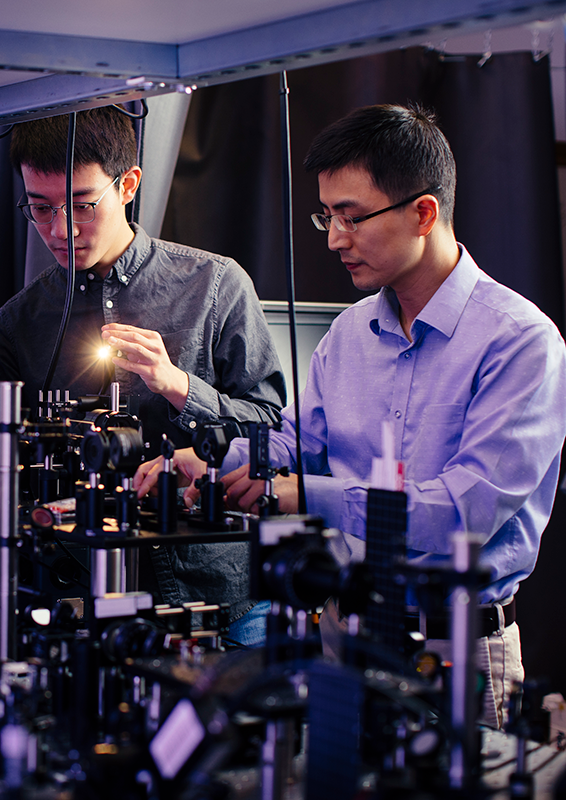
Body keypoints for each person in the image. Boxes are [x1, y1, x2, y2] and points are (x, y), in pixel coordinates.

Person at [136, 103, 566, 728]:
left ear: (424, 213)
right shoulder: (348, 334)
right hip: (344, 632)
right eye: (327, 216)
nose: (335, 238)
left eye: (352, 216)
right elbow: (295, 443)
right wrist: (207, 461)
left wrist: (301, 495)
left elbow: (460, 513)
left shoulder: (520, 342)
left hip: (455, 648)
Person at [0, 105, 287, 645]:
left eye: (82, 205)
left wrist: (178, 385)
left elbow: (271, 433)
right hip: (78, 608)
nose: (60, 229)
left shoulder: (215, 285)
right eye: (39, 209)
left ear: (129, 184)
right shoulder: (20, 321)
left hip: (219, 604)